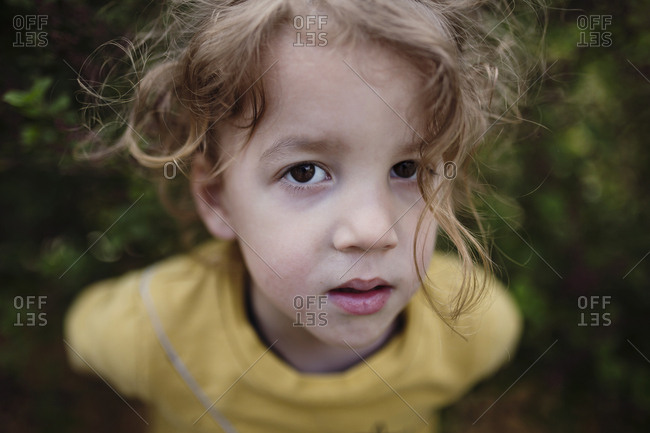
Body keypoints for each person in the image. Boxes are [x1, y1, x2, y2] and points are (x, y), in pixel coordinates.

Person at [66, 0, 537, 431]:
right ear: (217, 199)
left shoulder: (471, 327)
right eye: (306, 172)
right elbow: (83, 340)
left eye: (407, 168)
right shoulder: (151, 330)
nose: (373, 231)